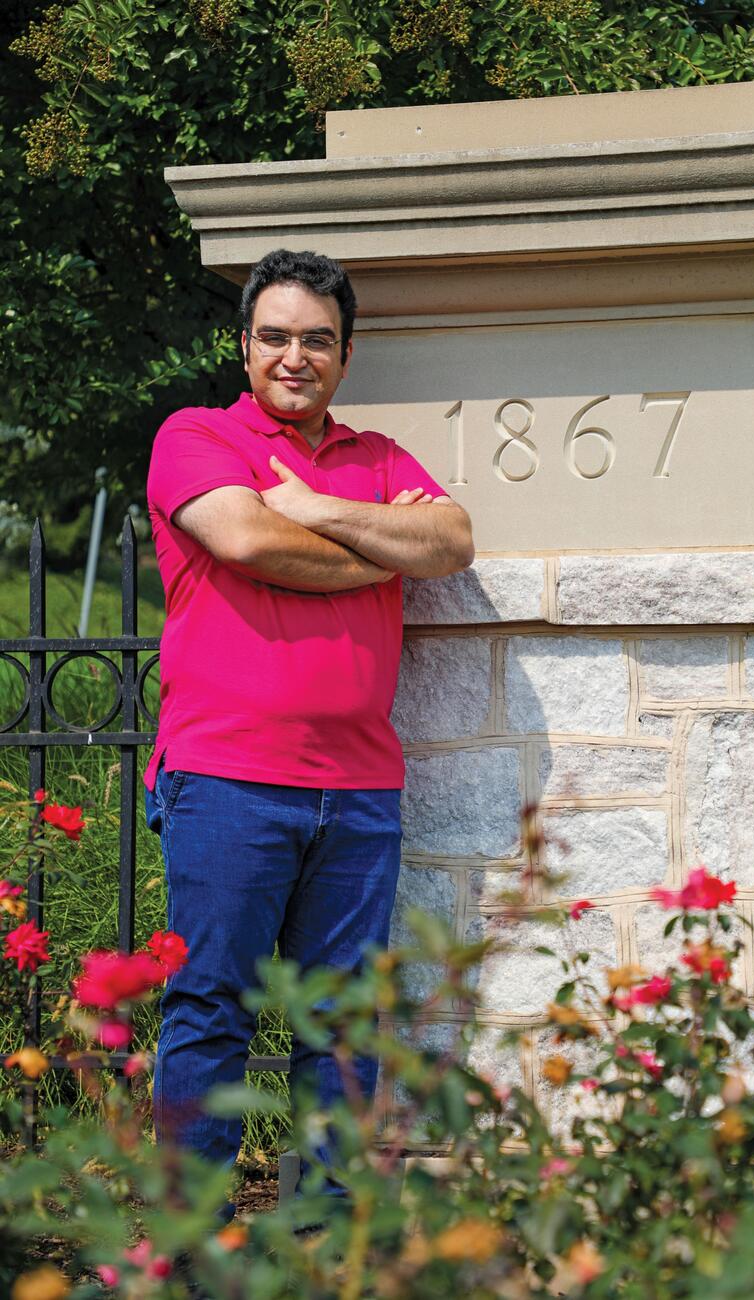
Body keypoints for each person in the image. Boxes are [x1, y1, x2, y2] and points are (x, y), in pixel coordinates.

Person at [143, 248, 474, 1188]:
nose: (297, 356)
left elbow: (451, 539)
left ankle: (325, 1245)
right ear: (244, 345)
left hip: (360, 789)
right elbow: (245, 538)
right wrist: (380, 545)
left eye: (318, 339)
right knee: (212, 1011)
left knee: (340, 1031)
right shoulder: (196, 435)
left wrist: (313, 505)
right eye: (278, 336)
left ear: (346, 352)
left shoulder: (375, 456)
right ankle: (192, 1254)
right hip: (227, 777)